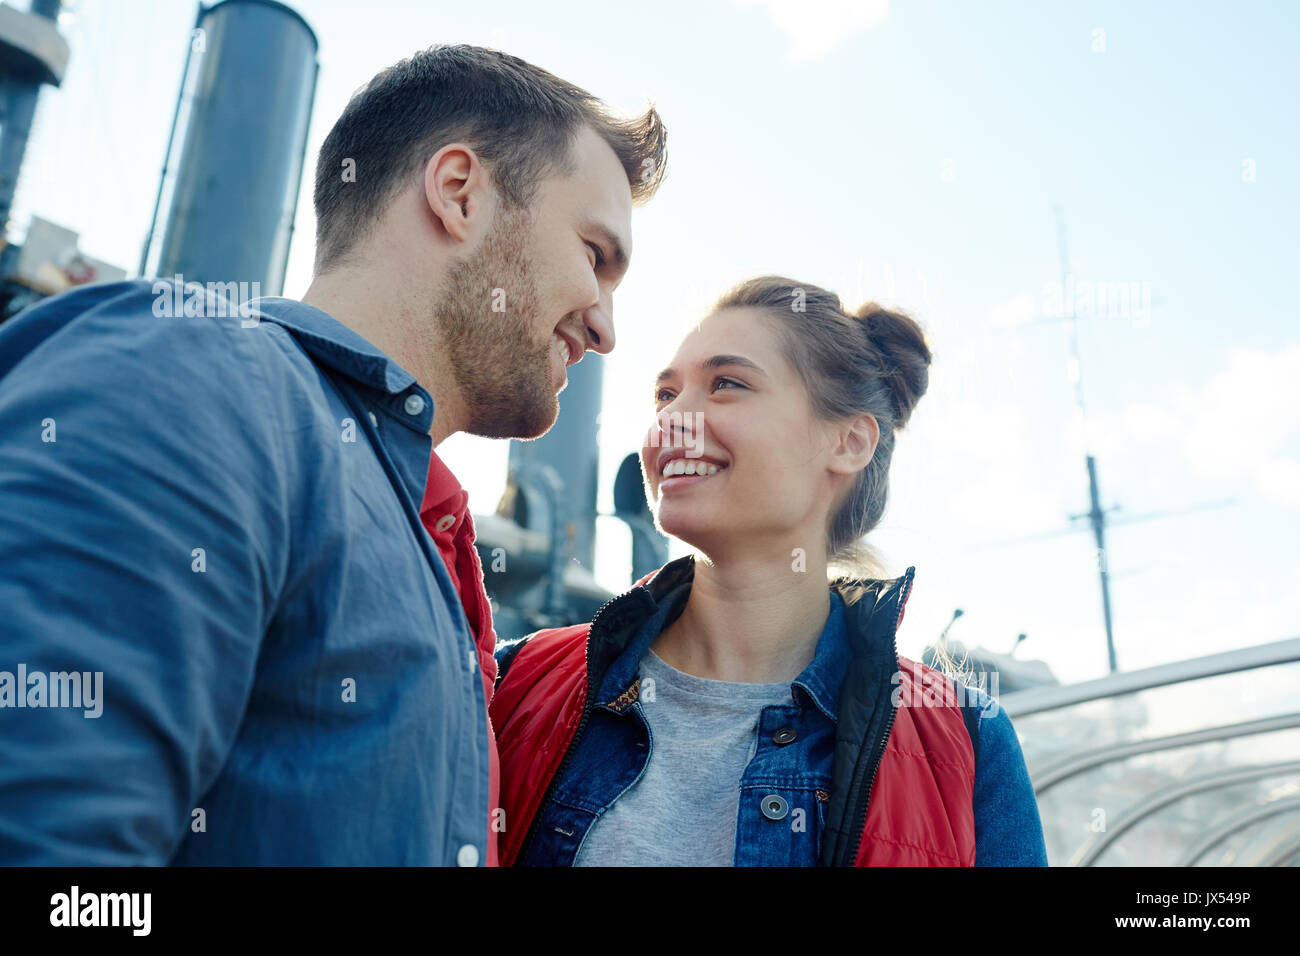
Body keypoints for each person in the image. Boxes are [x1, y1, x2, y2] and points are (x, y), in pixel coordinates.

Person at [0, 44, 666, 865]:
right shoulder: (198, 378)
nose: (605, 327)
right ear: (459, 193)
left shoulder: (423, 533)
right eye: (595, 257)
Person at [490, 276, 1050, 866]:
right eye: (664, 394)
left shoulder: (967, 738)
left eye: (726, 384)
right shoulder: (515, 682)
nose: (673, 419)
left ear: (849, 441)